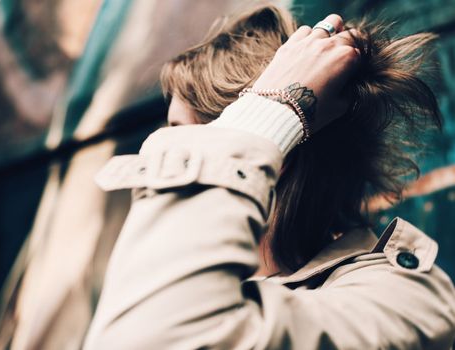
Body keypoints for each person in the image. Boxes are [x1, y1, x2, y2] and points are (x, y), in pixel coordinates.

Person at [83, 4, 455, 349]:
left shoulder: (401, 302)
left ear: (271, 152)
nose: (171, 153)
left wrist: (268, 111)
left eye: (186, 137)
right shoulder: (185, 283)